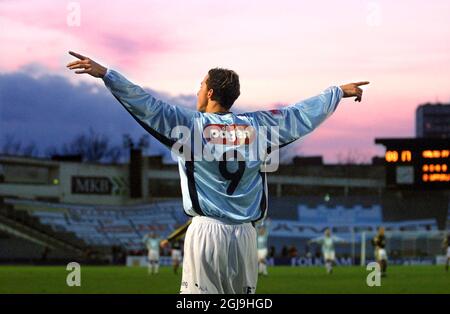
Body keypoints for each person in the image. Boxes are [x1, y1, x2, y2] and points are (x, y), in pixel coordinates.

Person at [66, 51, 369, 294]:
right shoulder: (259, 126)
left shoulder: (191, 126)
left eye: (200, 86)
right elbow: (300, 114)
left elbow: (146, 105)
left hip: (208, 231)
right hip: (246, 236)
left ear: (210, 92)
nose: (197, 91)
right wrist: (336, 92)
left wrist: (108, 75)